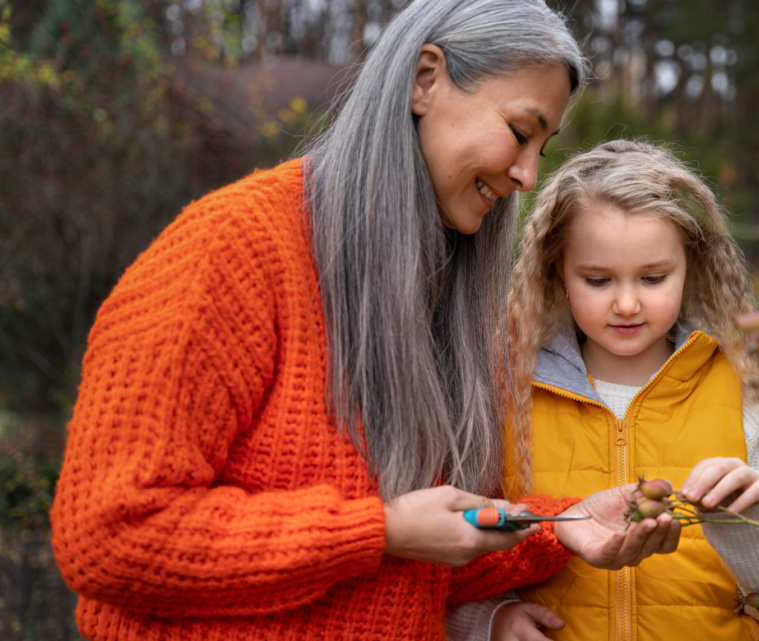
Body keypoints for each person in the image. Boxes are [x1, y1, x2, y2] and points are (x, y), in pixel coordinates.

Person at [48, 4, 676, 641]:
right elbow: (110, 536)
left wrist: (568, 525)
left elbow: (417, 566)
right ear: (425, 80)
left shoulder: (442, 294)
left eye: (543, 147)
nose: (527, 175)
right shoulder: (230, 252)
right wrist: (381, 530)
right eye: (519, 131)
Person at [446, 140, 759, 641]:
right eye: (598, 280)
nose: (627, 304)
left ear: (690, 265)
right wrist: (487, 620)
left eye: (653, 278)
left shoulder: (744, 391)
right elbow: (443, 560)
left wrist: (754, 521)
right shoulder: (503, 394)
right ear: (557, 269)